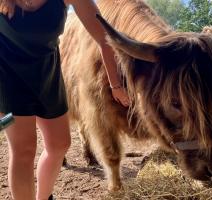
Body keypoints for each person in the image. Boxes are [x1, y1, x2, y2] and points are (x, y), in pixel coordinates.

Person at [0, 0, 130, 199]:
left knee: (59, 144)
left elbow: (104, 38)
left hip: (47, 75)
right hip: (7, 76)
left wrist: (116, 86)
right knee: (24, 149)